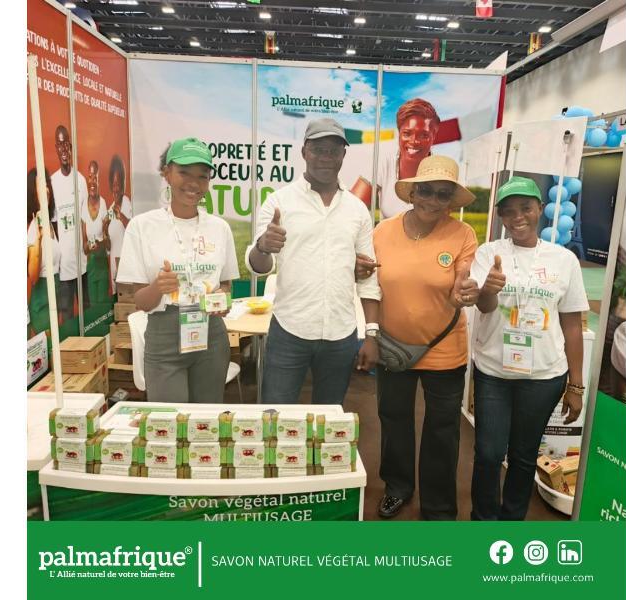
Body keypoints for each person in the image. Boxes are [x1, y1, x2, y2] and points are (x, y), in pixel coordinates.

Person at [356, 155, 480, 520]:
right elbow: (369, 284)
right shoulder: (382, 232)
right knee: (393, 419)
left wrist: (464, 291)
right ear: (412, 193)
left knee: (443, 429)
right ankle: (397, 487)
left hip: (445, 349)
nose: (432, 200)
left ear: (451, 200)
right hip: (393, 347)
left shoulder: (463, 234)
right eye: (426, 191)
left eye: (443, 194)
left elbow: (464, 276)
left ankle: (438, 505)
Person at [469, 176, 589, 521]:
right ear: (501, 217)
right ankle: (483, 523)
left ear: (541, 209)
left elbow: (571, 324)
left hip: (544, 376)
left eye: (525, 208)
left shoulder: (563, 259)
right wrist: (488, 289)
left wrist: (576, 385)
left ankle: (511, 523)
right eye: (508, 211)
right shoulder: (489, 253)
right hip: (493, 370)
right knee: (488, 454)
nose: (517, 216)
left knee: (523, 456)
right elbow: (484, 307)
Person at [246, 118, 381, 405]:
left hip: (341, 334)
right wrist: (263, 246)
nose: (326, 157)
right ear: (304, 151)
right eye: (319, 149)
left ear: (343, 155)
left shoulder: (357, 209)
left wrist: (371, 333)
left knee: (329, 417)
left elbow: (369, 275)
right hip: (289, 331)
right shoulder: (278, 202)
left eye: (334, 150)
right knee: (276, 414)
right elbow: (259, 266)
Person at [117, 138, 239, 403]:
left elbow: (226, 286)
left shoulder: (220, 228)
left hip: (211, 335)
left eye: (202, 176)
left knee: (206, 418)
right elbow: (141, 302)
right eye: (184, 172)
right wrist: (158, 287)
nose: (193, 183)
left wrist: (222, 299)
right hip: (164, 335)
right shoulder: (142, 227)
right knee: (169, 418)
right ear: (167, 173)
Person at [50, 125, 88, 328]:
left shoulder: (80, 180)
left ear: (71, 148)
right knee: (67, 318)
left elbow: (84, 220)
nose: (64, 150)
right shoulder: (53, 182)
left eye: (67, 145)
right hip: (64, 266)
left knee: (87, 312)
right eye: (60, 145)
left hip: (82, 262)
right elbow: (54, 224)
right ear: (56, 149)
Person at [377, 98, 440, 219]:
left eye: (424, 135)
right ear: (399, 133)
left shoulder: (442, 171)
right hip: (387, 231)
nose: (414, 141)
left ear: (434, 136)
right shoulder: (384, 161)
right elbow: (353, 209)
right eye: (407, 133)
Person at [27, 168, 60, 338]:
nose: (45, 189)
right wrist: (38, 239)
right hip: (42, 303)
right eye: (39, 185)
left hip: (54, 299)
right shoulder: (34, 228)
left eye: (46, 184)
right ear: (34, 194)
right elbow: (33, 277)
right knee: (49, 349)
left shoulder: (51, 224)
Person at [80, 160, 111, 306]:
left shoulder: (103, 204)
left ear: (99, 181)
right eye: (90, 177)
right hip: (91, 266)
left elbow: (108, 244)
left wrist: (103, 235)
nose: (92, 181)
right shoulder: (83, 206)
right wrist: (90, 247)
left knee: (103, 307)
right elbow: (85, 248)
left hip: (102, 264)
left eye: (95, 178)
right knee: (93, 308)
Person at [106, 154, 133, 293]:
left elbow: (133, 230)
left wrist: (120, 215)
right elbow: (109, 246)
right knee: (116, 301)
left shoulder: (127, 202)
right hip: (114, 269)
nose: (116, 188)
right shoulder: (110, 209)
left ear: (123, 183)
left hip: (127, 269)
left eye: (119, 184)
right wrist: (104, 229)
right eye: (114, 184)